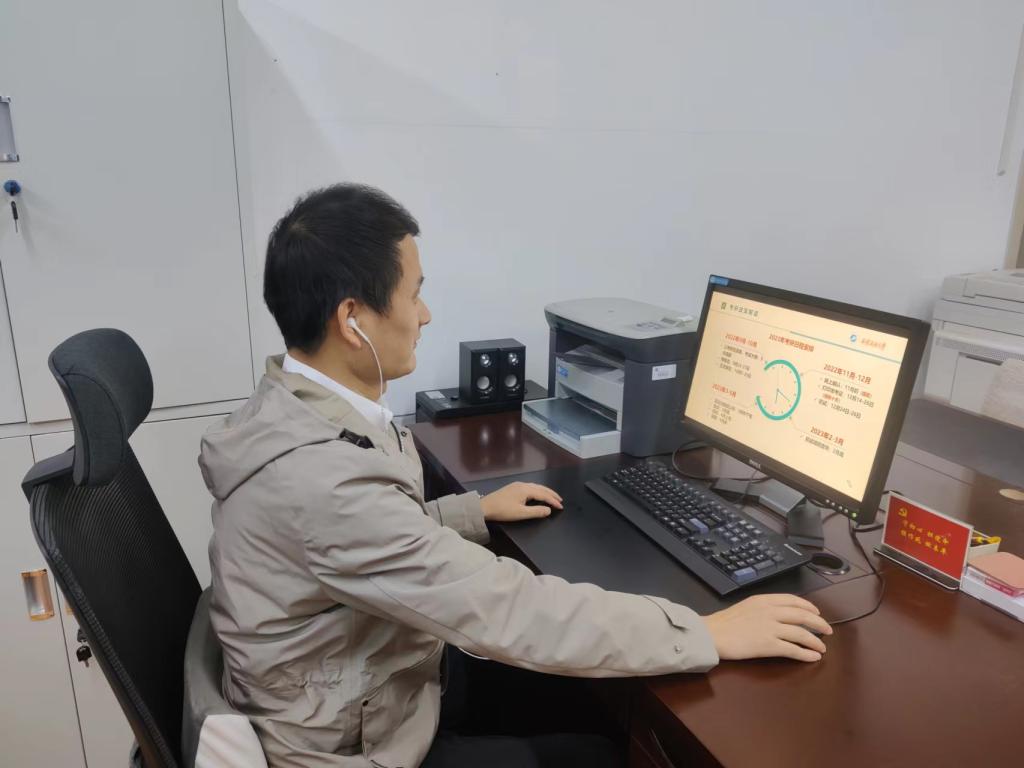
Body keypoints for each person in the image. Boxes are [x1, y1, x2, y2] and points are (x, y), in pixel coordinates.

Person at [198, 183, 832, 768]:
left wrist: (469, 512)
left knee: (579, 692)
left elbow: (359, 538)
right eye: (414, 294)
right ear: (352, 319)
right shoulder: (322, 480)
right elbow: (508, 609)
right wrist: (703, 631)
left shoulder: (293, 405)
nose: (425, 314)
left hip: (360, 680)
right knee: (601, 749)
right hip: (354, 744)